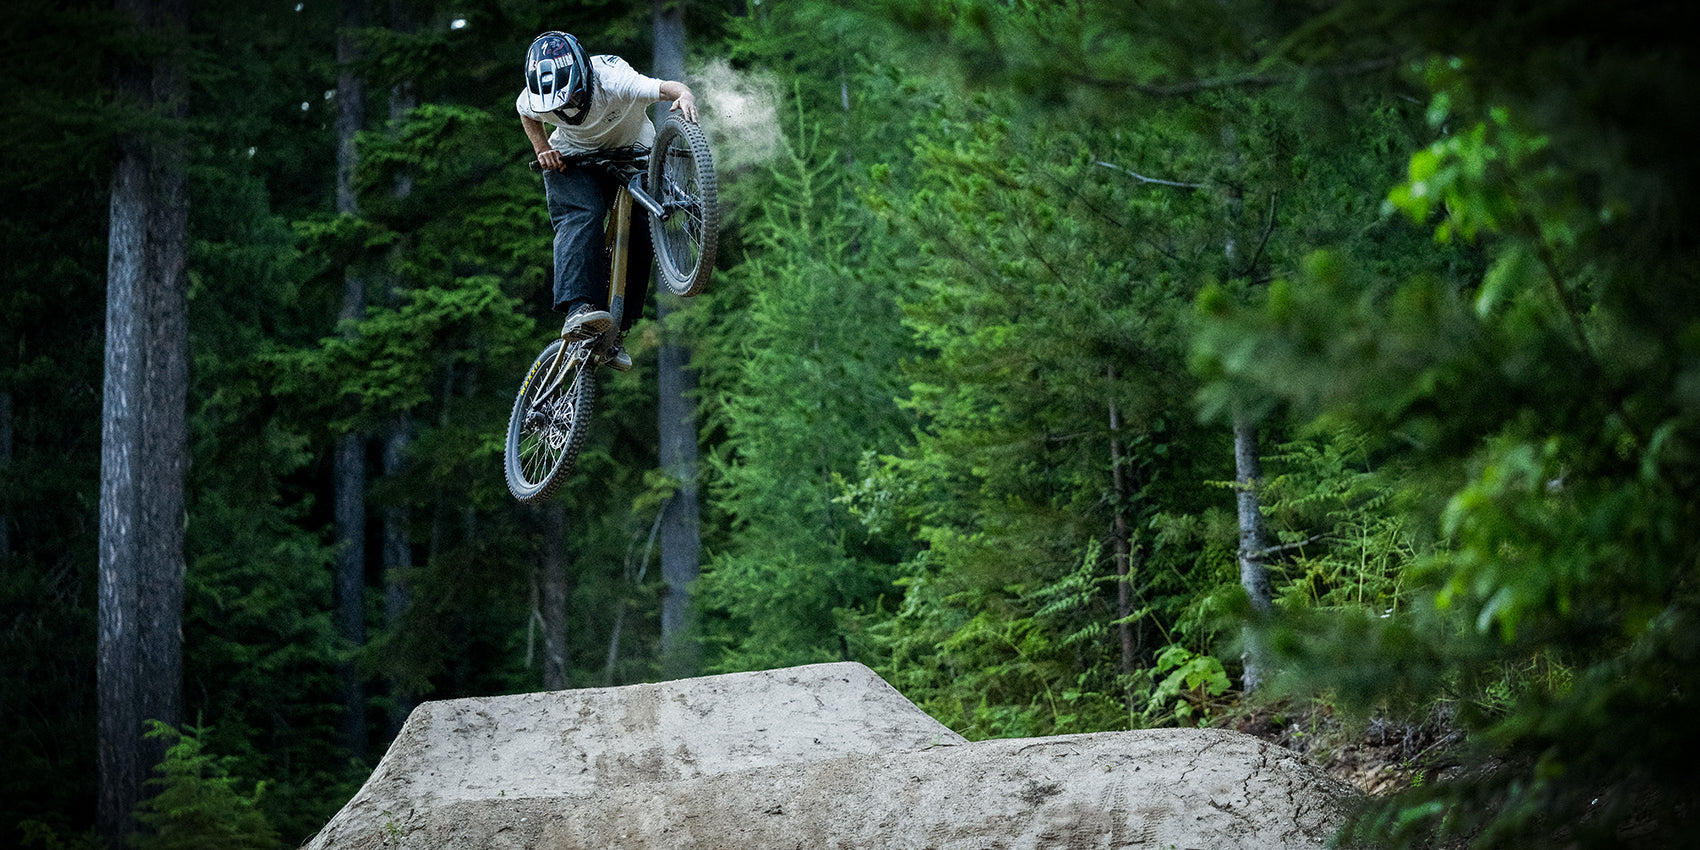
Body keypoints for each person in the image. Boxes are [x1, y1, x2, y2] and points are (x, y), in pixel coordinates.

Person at [518, 31, 699, 370]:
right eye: (554, 107)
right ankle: (579, 310)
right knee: (582, 215)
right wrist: (543, 149)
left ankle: (617, 332)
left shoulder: (615, 79)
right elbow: (526, 114)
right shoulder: (535, 96)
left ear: (583, 78)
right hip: (573, 159)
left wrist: (686, 96)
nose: (562, 110)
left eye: (566, 100)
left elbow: (669, 89)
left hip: (632, 154)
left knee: (646, 230)